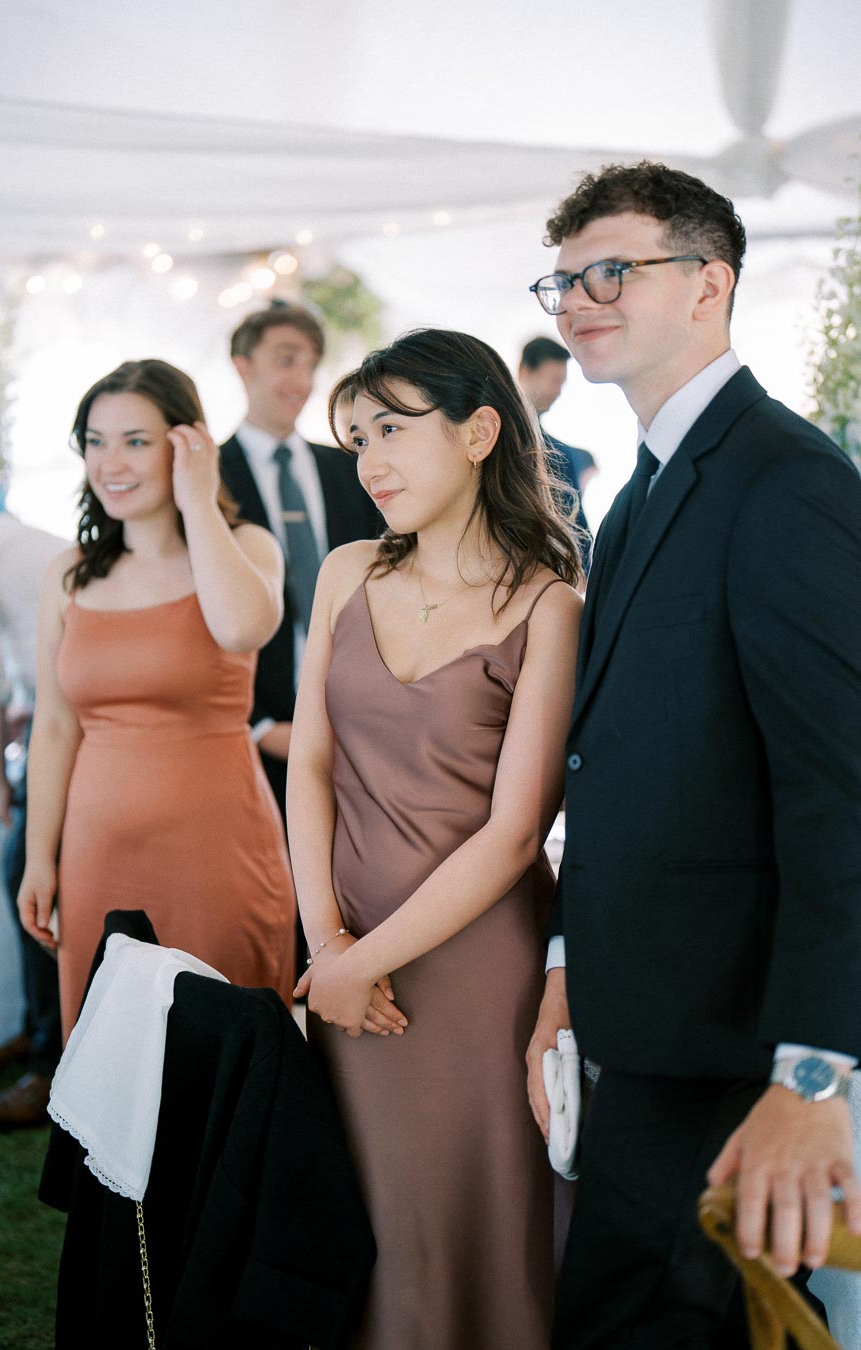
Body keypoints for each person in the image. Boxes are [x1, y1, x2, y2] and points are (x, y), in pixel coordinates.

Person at [525, 161, 861, 1348]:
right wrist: (568, 964)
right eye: (562, 281)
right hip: (644, 1015)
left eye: (612, 270)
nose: (577, 300)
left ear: (709, 282)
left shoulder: (787, 483)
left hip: (739, 1039)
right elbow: (616, 767)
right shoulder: (637, 490)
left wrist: (812, 1074)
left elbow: (841, 793)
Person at [288, 328, 583, 1349]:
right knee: (365, 1224)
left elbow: (516, 836)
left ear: (479, 432)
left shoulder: (547, 604)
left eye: (392, 430)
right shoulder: (342, 574)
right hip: (343, 959)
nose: (368, 460)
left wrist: (360, 959)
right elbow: (311, 766)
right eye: (355, 435)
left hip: (472, 976)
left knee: (477, 1230)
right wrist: (326, 946)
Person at [17, 359, 296, 1039]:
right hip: (97, 855)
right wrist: (38, 857)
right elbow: (55, 728)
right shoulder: (69, 574)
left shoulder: (247, 546)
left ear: (186, 443)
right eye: (96, 440)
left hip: (217, 852)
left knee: (222, 1053)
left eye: (136, 441)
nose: (111, 461)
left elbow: (241, 628)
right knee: (113, 1061)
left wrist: (197, 502)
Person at [219, 302, 380, 824]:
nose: (302, 379)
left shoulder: (350, 470)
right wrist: (260, 723)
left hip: (357, 726)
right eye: (286, 360)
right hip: (250, 733)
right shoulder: (208, 479)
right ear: (243, 366)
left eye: (311, 364)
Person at [0, 498, 65, 1127]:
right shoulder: (14, 532)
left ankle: (49, 1063)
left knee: (24, 877)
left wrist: (1, 783)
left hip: (69, 733)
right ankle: (40, 1036)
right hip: (67, 712)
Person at [518, 336, 593, 569]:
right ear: (526, 372)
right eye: (554, 380)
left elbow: (576, 528)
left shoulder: (559, 454)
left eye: (562, 383)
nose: (558, 391)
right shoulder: (486, 439)